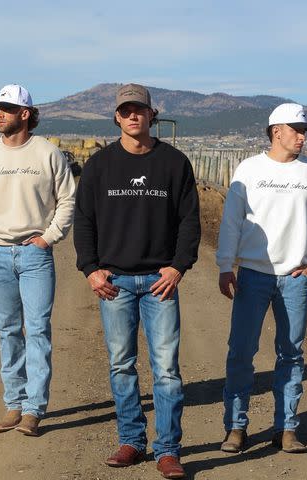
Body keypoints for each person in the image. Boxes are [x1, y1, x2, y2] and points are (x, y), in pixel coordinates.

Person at [73, 83, 200, 479]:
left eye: (139, 110)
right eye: (125, 110)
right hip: (115, 283)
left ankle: (167, 449)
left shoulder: (174, 163)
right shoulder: (99, 166)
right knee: (121, 365)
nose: (132, 116)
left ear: (151, 116)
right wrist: (90, 269)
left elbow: (190, 222)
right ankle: (131, 440)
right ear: (116, 116)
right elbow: (84, 221)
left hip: (160, 282)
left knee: (166, 370)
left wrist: (178, 266)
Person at [216, 103, 307, 453]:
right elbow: (232, 220)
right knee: (240, 352)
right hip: (253, 274)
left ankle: (286, 427)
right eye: (296, 130)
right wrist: (225, 265)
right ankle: (236, 427)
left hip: (295, 277)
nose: (302, 137)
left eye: (305, 132)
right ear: (275, 131)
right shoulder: (250, 170)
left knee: (292, 354)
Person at [0, 84, 75, 436]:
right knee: (7, 330)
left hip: (35, 255)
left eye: (6, 109)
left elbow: (67, 200)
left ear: (25, 114)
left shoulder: (47, 154)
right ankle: (14, 402)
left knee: (38, 330)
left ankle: (33, 409)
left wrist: (48, 238)